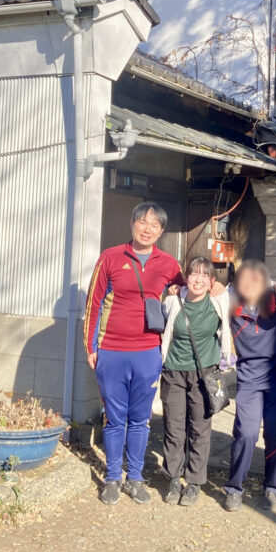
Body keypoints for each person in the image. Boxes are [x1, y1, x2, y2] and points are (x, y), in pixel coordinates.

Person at [84, 201, 182, 506]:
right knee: (114, 419)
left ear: (161, 231)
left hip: (148, 352)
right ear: (132, 223)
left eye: (155, 225)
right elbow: (93, 303)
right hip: (112, 351)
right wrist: (91, 347)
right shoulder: (110, 257)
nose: (147, 229)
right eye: (143, 222)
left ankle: (135, 477)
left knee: (140, 419)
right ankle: (113, 477)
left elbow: (192, 290)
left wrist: (215, 287)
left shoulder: (169, 264)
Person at [159, 257, 232, 507]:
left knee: (199, 430)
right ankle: (173, 477)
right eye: (193, 274)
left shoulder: (219, 300)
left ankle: (194, 482)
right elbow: (160, 317)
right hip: (173, 372)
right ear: (185, 278)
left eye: (204, 275)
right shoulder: (173, 301)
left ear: (212, 281)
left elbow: (248, 291)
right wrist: (169, 289)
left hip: (204, 375)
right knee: (174, 428)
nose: (198, 279)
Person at [223, 259, 276, 513]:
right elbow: (202, 291)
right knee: (246, 432)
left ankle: (272, 486)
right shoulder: (229, 303)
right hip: (249, 376)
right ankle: (234, 488)